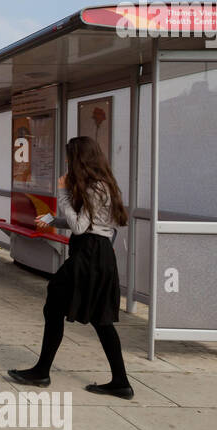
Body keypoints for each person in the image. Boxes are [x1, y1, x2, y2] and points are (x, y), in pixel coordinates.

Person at [8, 136, 133, 399]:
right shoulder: (103, 185)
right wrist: (54, 218)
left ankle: (41, 372)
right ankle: (120, 382)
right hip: (98, 254)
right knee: (101, 320)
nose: (66, 161)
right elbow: (89, 224)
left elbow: (80, 227)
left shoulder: (93, 189)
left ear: (79, 159)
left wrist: (62, 192)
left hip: (88, 255)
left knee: (54, 305)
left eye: (69, 157)